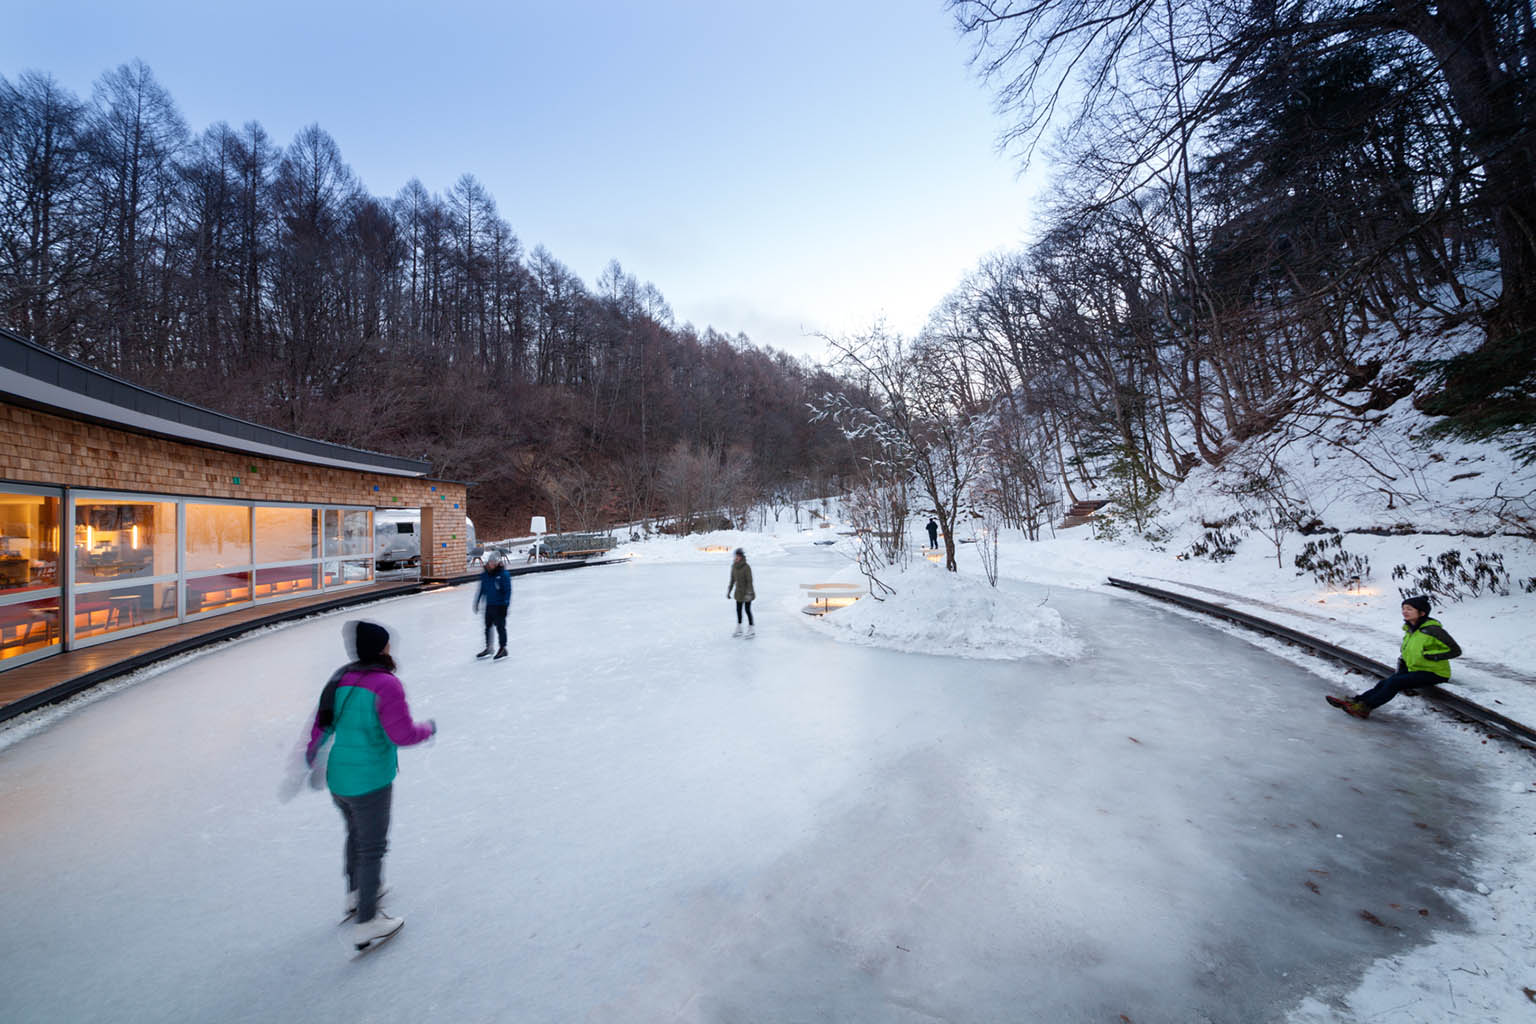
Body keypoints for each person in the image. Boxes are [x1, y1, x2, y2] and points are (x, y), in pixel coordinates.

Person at [306, 621, 436, 952]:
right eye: (387, 644)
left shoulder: (341, 678)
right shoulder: (385, 685)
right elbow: (401, 734)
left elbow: (321, 725)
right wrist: (428, 729)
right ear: (379, 649)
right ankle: (367, 921)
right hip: (370, 780)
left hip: (340, 780)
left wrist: (312, 757)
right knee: (372, 847)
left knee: (355, 835)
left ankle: (355, 894)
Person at [1327, 596, 1462, 719]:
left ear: (1422, 613)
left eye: (1409, 609)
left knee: (1394, 683)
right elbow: (1410, 650)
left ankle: (1364, 708)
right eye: (1403, 608)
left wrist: (1432, 656)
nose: (1405, 611)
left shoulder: (1433, 630)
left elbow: (1455, 650)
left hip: (1435, 673)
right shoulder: (1411, 629)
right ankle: (1357, 701)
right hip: (1415, 669)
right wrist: (1403, 662)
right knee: (1385, 683)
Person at [474, 552, 512, 660]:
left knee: (500, 627)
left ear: (498, 563)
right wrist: (477, 601)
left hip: (500, 605)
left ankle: (503, 648)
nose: (492, 564)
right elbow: (482, 589)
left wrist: (505, 604)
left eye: (494, 562)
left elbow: (508, 591)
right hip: (490, 605)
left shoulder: (503, 574)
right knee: (488, 627)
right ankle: (489, 647)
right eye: (490, 562)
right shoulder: (485, 574)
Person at [727, 547, 755, 636]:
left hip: (747, 592)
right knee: (738, 610)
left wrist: (749, 593)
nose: (736, 557)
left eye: (738, 556)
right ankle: (739, 628)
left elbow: (750, 581)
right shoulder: (734, 566)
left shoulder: (746, 567)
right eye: (735, 556)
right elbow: (732, 580)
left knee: (747, 610)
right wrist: (729, 591)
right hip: (738, 593)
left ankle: (751, 629)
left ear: (741, 557)